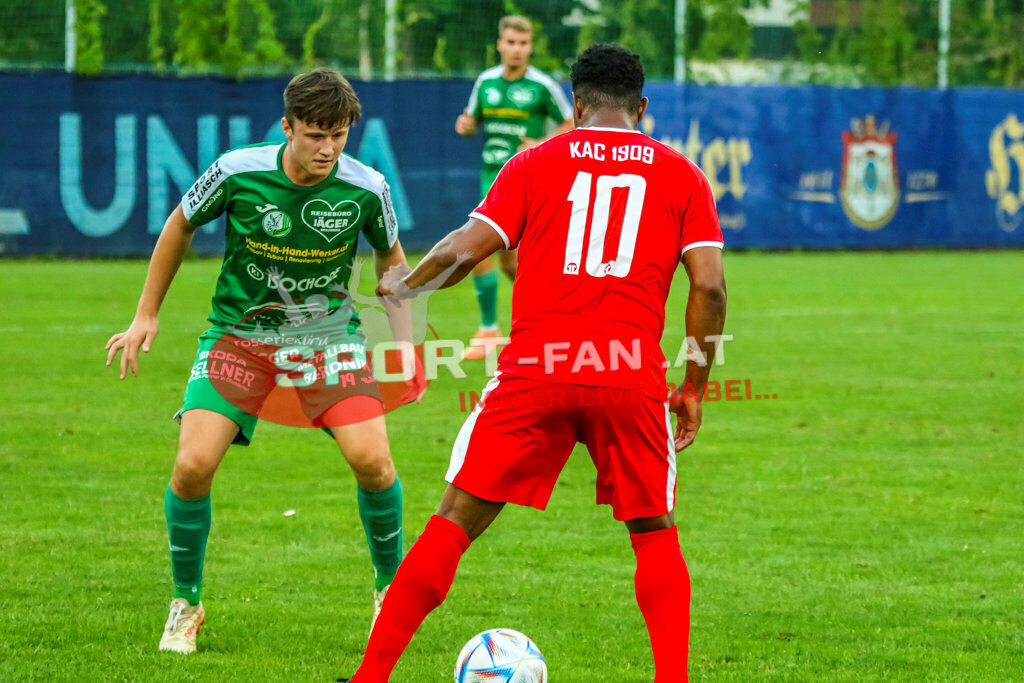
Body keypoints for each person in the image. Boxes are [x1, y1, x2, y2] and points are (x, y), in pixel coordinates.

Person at [345, 44, 727, 682]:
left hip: (535, 372)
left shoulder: (535, 163)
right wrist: (693, 384)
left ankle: (369, 678)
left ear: (575, 104)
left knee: (453, 521)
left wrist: (406, 285)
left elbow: (467, 248)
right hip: (628, 375)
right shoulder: (682, 174)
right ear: (643, 108)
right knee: (654, 530)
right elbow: (709, 288)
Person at [105, 67, 424, 655]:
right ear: (287, 127)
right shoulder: (236, 170)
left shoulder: (368, 187)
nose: (327, 148)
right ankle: (186, 602)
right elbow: (179, 224)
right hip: (238, 339)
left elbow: (392, 262)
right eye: (314, 134)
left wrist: (404, 342)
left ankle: (390, 593)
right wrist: (145, 314)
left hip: (328, 341)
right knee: (193, 465)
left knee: (374, 462)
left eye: (339, 133)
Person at [454, 14, 574, 360]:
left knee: (507, 257)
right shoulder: (486, 81)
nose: (516, 49)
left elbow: (570, 122)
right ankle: (498, 329)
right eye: (510, 42)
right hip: (491, 175)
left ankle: (544, 320)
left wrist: (540, 143)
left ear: (530, 47)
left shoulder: (541, 86)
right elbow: (472, 122)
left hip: (526, 177)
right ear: (500, 44)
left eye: (523, 43)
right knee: (491, 253)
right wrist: (465, 126)